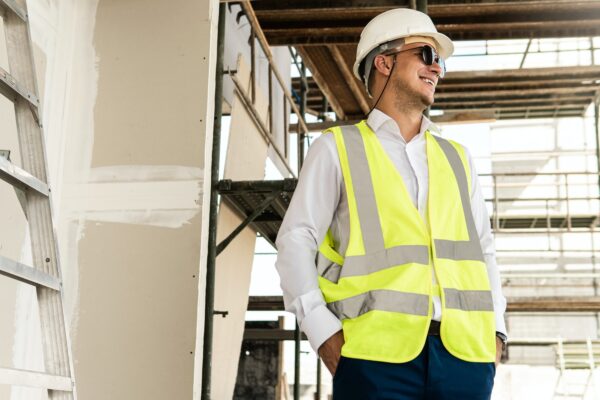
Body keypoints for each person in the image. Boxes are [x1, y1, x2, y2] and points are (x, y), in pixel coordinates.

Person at [275, 8, 507, 400]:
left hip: (466, 358)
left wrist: (497, 332)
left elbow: (484, 250)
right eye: (427, 55)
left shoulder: (457, 158)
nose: (437, 69)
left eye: (441, 63)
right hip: (373, 360)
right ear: (384, 61)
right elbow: (295, 241)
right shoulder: (336, 149)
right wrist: (323, 335)